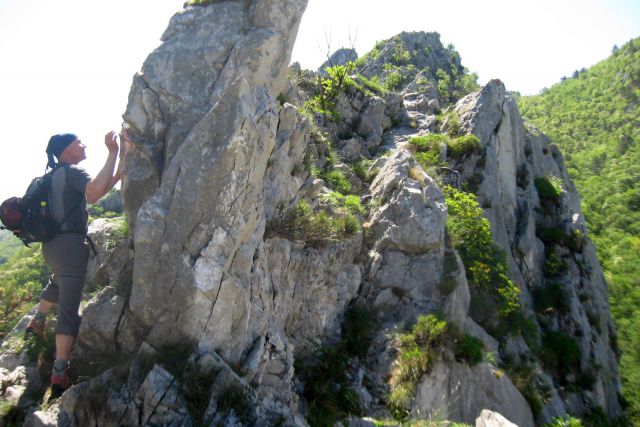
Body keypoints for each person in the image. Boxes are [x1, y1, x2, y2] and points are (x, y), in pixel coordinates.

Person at [24, 130, 124, 396]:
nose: (84, 145)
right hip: (70, 247)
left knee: (58, 281)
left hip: (52, 247)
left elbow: (92, 196)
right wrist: (113, 151)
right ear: (67, 149)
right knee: (69, 310)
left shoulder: (54, 175)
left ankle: (38, 320)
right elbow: (95, 189)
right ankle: (59, 374)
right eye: (79, 143)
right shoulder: (73, 173)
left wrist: (118, 171)